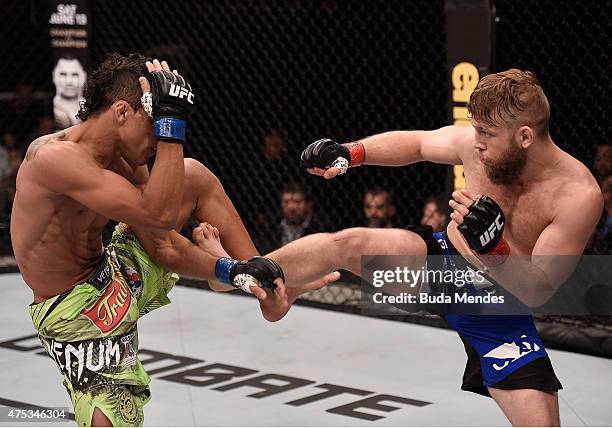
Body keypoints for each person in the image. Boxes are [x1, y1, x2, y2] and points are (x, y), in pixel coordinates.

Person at [228, 69, 603, 426]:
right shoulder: (478, 144)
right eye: (475, 129)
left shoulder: (577, 195)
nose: (476, 142)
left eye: (486, 133)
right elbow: (418, 143)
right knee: (348, 242)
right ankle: (243, 273)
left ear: (524, 136)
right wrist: (350, 152)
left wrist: (496, 251)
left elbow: (539, 289)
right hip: (439, 266)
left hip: (498, 306)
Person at [12, 53, 334, 427]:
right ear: (121, 113)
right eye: (155, 126)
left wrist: (234, 271)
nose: (159, 142)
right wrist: (171, 124)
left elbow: (161, 242)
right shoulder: (53, 159)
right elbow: (160, 215)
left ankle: (267, 284)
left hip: (113, 273)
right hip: (76, 314)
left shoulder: (126, 158)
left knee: (191, 175)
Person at [52, 55, 87, 129]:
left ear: (83, 76)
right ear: (54, 76)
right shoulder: (49, 107)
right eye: (63, 74)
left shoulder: (92, 108)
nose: (69, 81)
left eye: (74, 74)